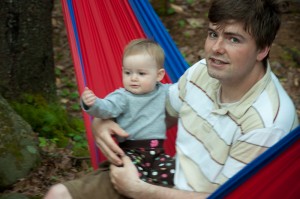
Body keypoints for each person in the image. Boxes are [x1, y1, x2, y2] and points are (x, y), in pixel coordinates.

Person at [45, 0, 299, 198]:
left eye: (233, 39)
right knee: (58, 194)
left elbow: (230, 196)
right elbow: (158, 112)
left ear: (263, 49)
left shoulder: (266, 123)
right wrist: (104, 120)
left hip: (164, 191)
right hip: (160, 174)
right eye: (213, 34)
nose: (216, 48)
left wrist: (141, 192)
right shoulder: (203, 71)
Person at [79, 38, 175, 187]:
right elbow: (106, 108)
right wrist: (93, 103)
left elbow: (185, 90)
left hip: (158, 153)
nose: (133, 78)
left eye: (141, 73)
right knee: (131, 179)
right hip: (131, 153)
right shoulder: (123, 97)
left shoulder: (165, 91)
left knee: (173, 173)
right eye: (128, 72)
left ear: (159, 75)